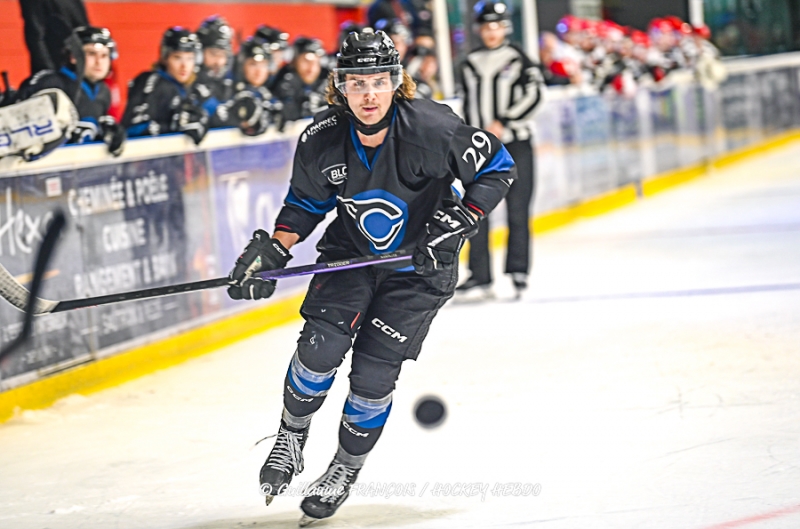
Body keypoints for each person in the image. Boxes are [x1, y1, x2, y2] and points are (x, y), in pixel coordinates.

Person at [226, 28, 516, 526]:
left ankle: (343, 468)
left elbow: (498, 166)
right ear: (340, 86)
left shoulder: (433, 127)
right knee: (318, 348)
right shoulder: (321, 139)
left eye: (378, 81)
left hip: (419, 269)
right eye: (357, 83)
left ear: (396, 83)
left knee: (373, 374)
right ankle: (290, 439)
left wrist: (464, 217)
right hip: (351, 255)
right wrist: (276, 248)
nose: (368, 94)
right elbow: (304, 204)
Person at [456, 0, 544, 299]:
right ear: (479, 29)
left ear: (505, 28)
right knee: (475, 209)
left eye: (497, 26)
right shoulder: (469, 62)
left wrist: (505, 120)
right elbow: (467, 103)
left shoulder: (520, 59)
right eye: (486, 26)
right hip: (481, 149)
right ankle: (480, 275)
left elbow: (535, 95)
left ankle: (518, 270)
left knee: (518, 209)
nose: (491, 32)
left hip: (516, 144)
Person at [14, 25, 126, 156]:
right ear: (73, 56)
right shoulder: (50, 83)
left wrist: (107, 135)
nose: (99, 62)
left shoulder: (103, 91)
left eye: (104, 55)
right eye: (91, 53)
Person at [122, 27, 208, 144]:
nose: (184, 66)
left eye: (190, 59)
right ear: (165, 58)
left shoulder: (187, 88)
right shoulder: (151, 81)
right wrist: (173, 126)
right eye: (177, 58)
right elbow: (132, 129)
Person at [216, 38, 283, 136]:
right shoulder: (228, 91)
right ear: (241, 65)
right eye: (253, 64)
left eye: (263, 65)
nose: (259, 71)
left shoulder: (266, 94)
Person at [19, 0, 89, 75]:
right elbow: (35, 35)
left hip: (76, 66)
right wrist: (47, 69)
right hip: (54, 66)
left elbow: (84, 30)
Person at [270, 37, 329, 122]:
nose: (311, 67)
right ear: (294, 62)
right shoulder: (284, 84)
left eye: (316, 62)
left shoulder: (328, 83)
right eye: (306, 61)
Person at [195, 15, 235, 125]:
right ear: (199, 54)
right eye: (213, 54)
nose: (218, 62)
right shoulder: (189, 84)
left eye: (222, 55)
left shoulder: (232, 81)